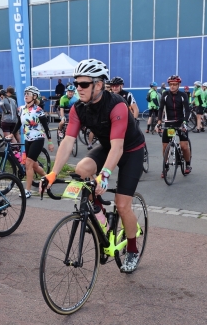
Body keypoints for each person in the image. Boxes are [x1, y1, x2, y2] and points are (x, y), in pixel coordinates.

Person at [41, 59, 145, 273]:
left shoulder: (116, 105)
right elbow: (68, 142)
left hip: (130, 150)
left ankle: (132, 250)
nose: (78, 88)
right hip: (107, 146)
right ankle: (98, 210)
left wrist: (105, 175)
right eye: (76, 83)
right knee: (81, 169)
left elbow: (118, 147)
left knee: (123, 205)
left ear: (98, 85)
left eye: (84, 84)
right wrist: (52, 173)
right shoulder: (78, 108)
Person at [8, 85, 54, 199]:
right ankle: (48, 178)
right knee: (34, 165)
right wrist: (12, 133)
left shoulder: (38, 110)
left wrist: (50, 141)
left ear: (34, 96)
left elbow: (46, 126)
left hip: (38, 139)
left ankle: (27, 190)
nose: (26, 96)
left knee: (28, 163)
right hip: (27, 139)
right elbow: (19, 123)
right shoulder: (21, 109)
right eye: (25, 94)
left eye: (28, 94)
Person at [156, 75, 192, 177]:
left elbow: (187, 110)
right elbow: (161, 109)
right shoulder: (165, 95)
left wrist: (185, 121)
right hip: (169, 123)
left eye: (175, 85)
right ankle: (166, 166)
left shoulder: (182, 95)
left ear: (178, 85)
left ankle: (188, 165)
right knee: (165, 146)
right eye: (171, 84)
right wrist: (159, 122)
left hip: (180, 122)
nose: (172, 86)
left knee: (184, 146)